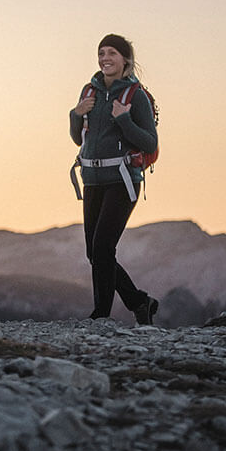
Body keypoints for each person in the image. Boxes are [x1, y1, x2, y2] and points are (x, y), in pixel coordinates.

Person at [69, 34, 159, 324]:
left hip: (123, 180)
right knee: (94, 253)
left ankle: (101, 316)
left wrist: (123, 119)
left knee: (103, 247)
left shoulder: (136, 96)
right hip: (93, 179)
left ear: (125, 60)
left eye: (111, 53)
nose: (105, 58)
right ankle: (139, 302)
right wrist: (75, 114)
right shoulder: (89, 91)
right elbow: (77, 138)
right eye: (101, 53)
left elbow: (149, 143)